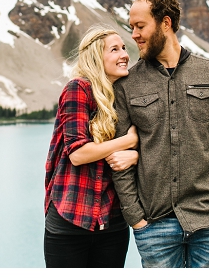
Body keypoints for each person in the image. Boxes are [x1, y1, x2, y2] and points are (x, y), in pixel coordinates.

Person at [111, 0, 209, 268]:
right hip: (154, 226)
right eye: (132, 28)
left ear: (165, 23)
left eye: (140, 26)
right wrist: (136, 218)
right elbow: (120, 157)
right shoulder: (127, 85)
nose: (134, 35)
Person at [43, 25, 141, 268]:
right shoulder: (78, 88)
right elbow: (78, 153)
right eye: (115, 49)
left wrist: (135, 155)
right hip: (71, 218)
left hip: (112, 221)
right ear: (97, 56)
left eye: (124, 48)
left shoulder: (122, 92)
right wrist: (129, 141)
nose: (124, 55)